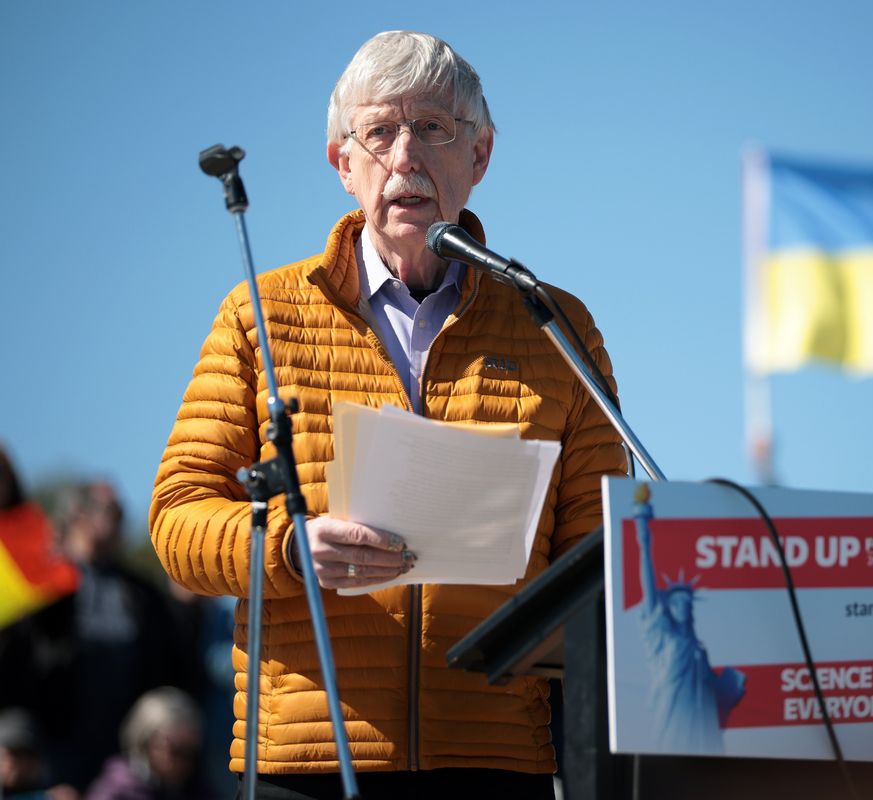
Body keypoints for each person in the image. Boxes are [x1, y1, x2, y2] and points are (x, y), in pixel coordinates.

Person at [149, 30, 626, 797]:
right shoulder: (259, 316)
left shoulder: (553, 324)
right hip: (304, 759)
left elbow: (603, 559)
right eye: (378, 132)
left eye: (435, 128)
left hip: (496, 758)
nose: (405, 156)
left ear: (481, 157)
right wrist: (292, 550)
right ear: (342, 164)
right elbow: (175, 523)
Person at [0, 481, 178, 793]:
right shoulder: (46, 581)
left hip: (121, 747)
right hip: (54, 741)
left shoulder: (140, 592)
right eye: (113, 511)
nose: (121, 521)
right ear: (79, 514)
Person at [632, 485, 744, 754]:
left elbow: (717, 696)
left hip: (705, 738)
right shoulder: (659, 636)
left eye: (687, 602)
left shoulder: (698, 650)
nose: (683, 606)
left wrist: (731, 684)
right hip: (674, 731)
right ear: (667, 607)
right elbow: (648, 585)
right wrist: (642, 531)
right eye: (676, 602)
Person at [86, 687, 218, 800]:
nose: (183, 762)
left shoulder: (196, 790)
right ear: (147, 741)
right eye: (176, 750)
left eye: (191, 753)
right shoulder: (116, 789)